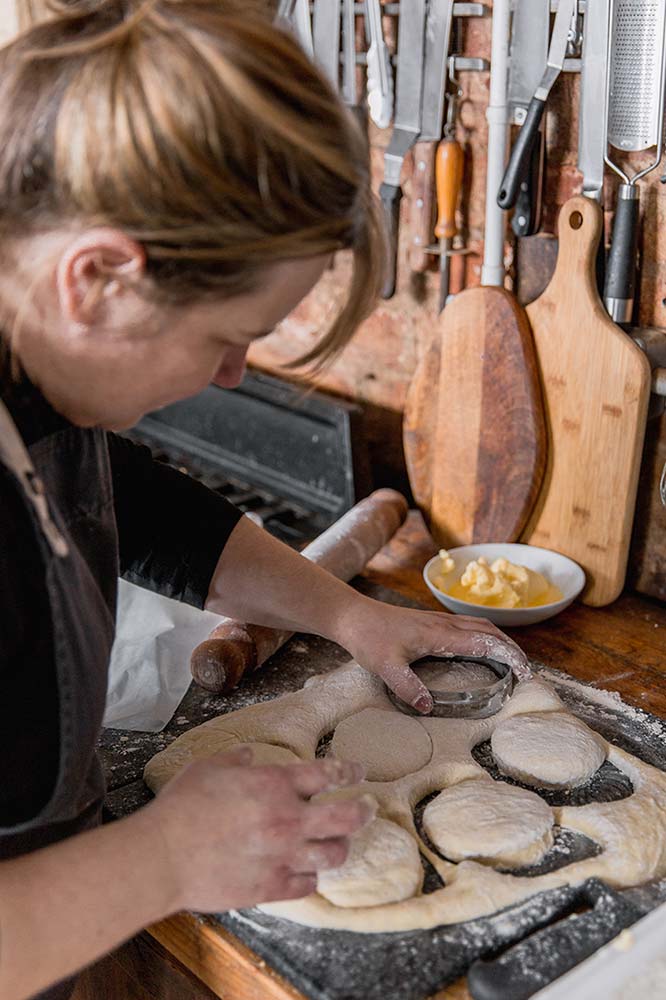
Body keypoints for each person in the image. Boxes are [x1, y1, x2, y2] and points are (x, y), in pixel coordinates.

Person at [0, 2, 531, 997]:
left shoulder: (31, 373)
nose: (238, 374)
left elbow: (128, 502)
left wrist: (347, 612)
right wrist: (162, 859)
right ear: (98, 279)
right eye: (225, 334)